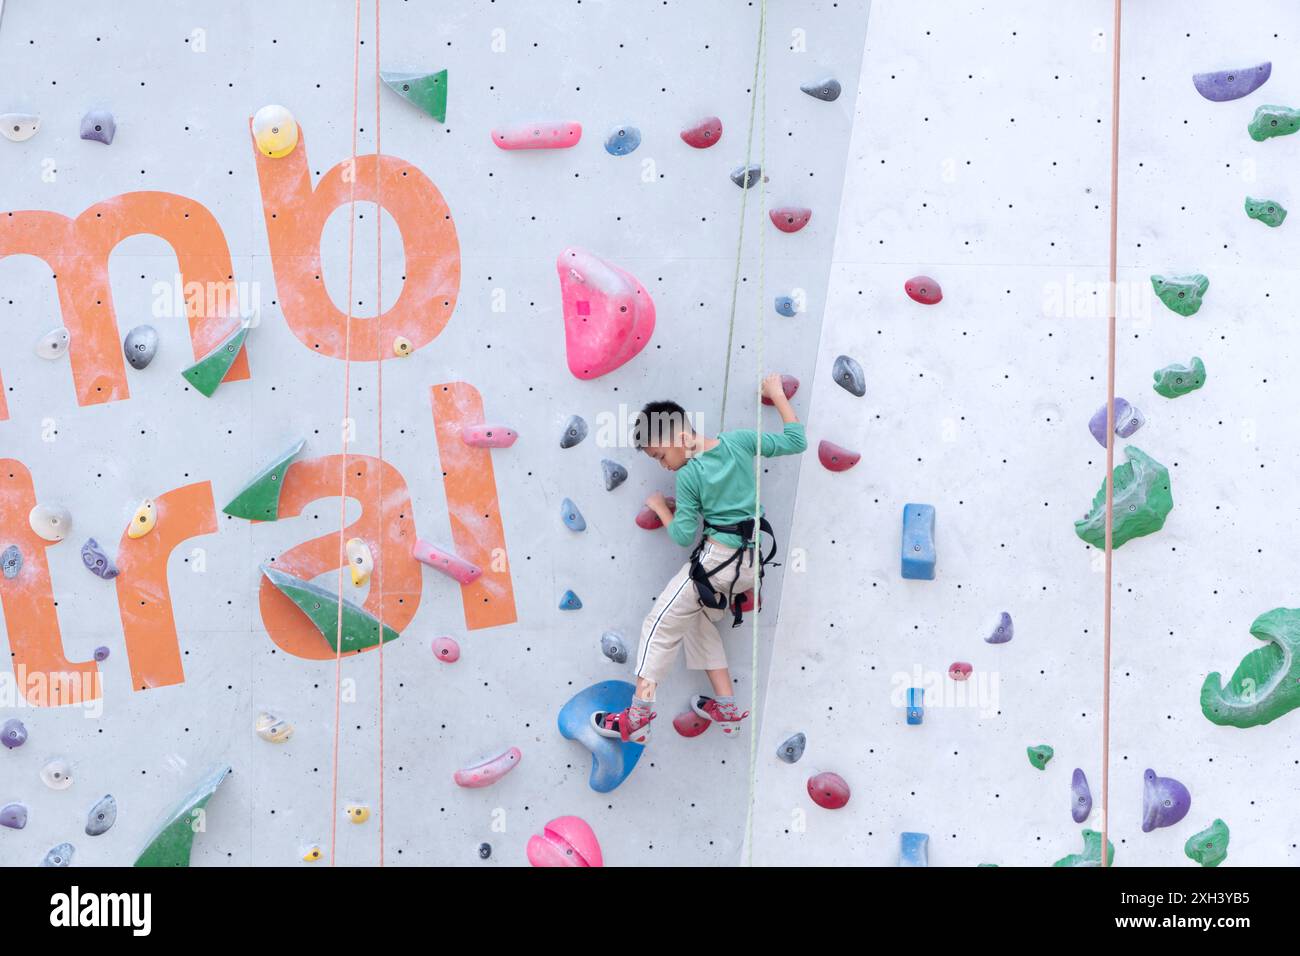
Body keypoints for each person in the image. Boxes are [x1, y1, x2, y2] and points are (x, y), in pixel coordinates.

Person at [593, 373, 807, 744]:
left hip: (716, 563)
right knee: (696, 624)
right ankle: (726, 706)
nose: (663, 466)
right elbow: (796, 440)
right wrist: (775, 393)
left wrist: (661, 507)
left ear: (677, 436)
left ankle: (637, 717)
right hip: (749, 564)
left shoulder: (689, 475)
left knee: (657, 624)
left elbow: (681, 535)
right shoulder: (738, 441)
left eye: (660, 456)